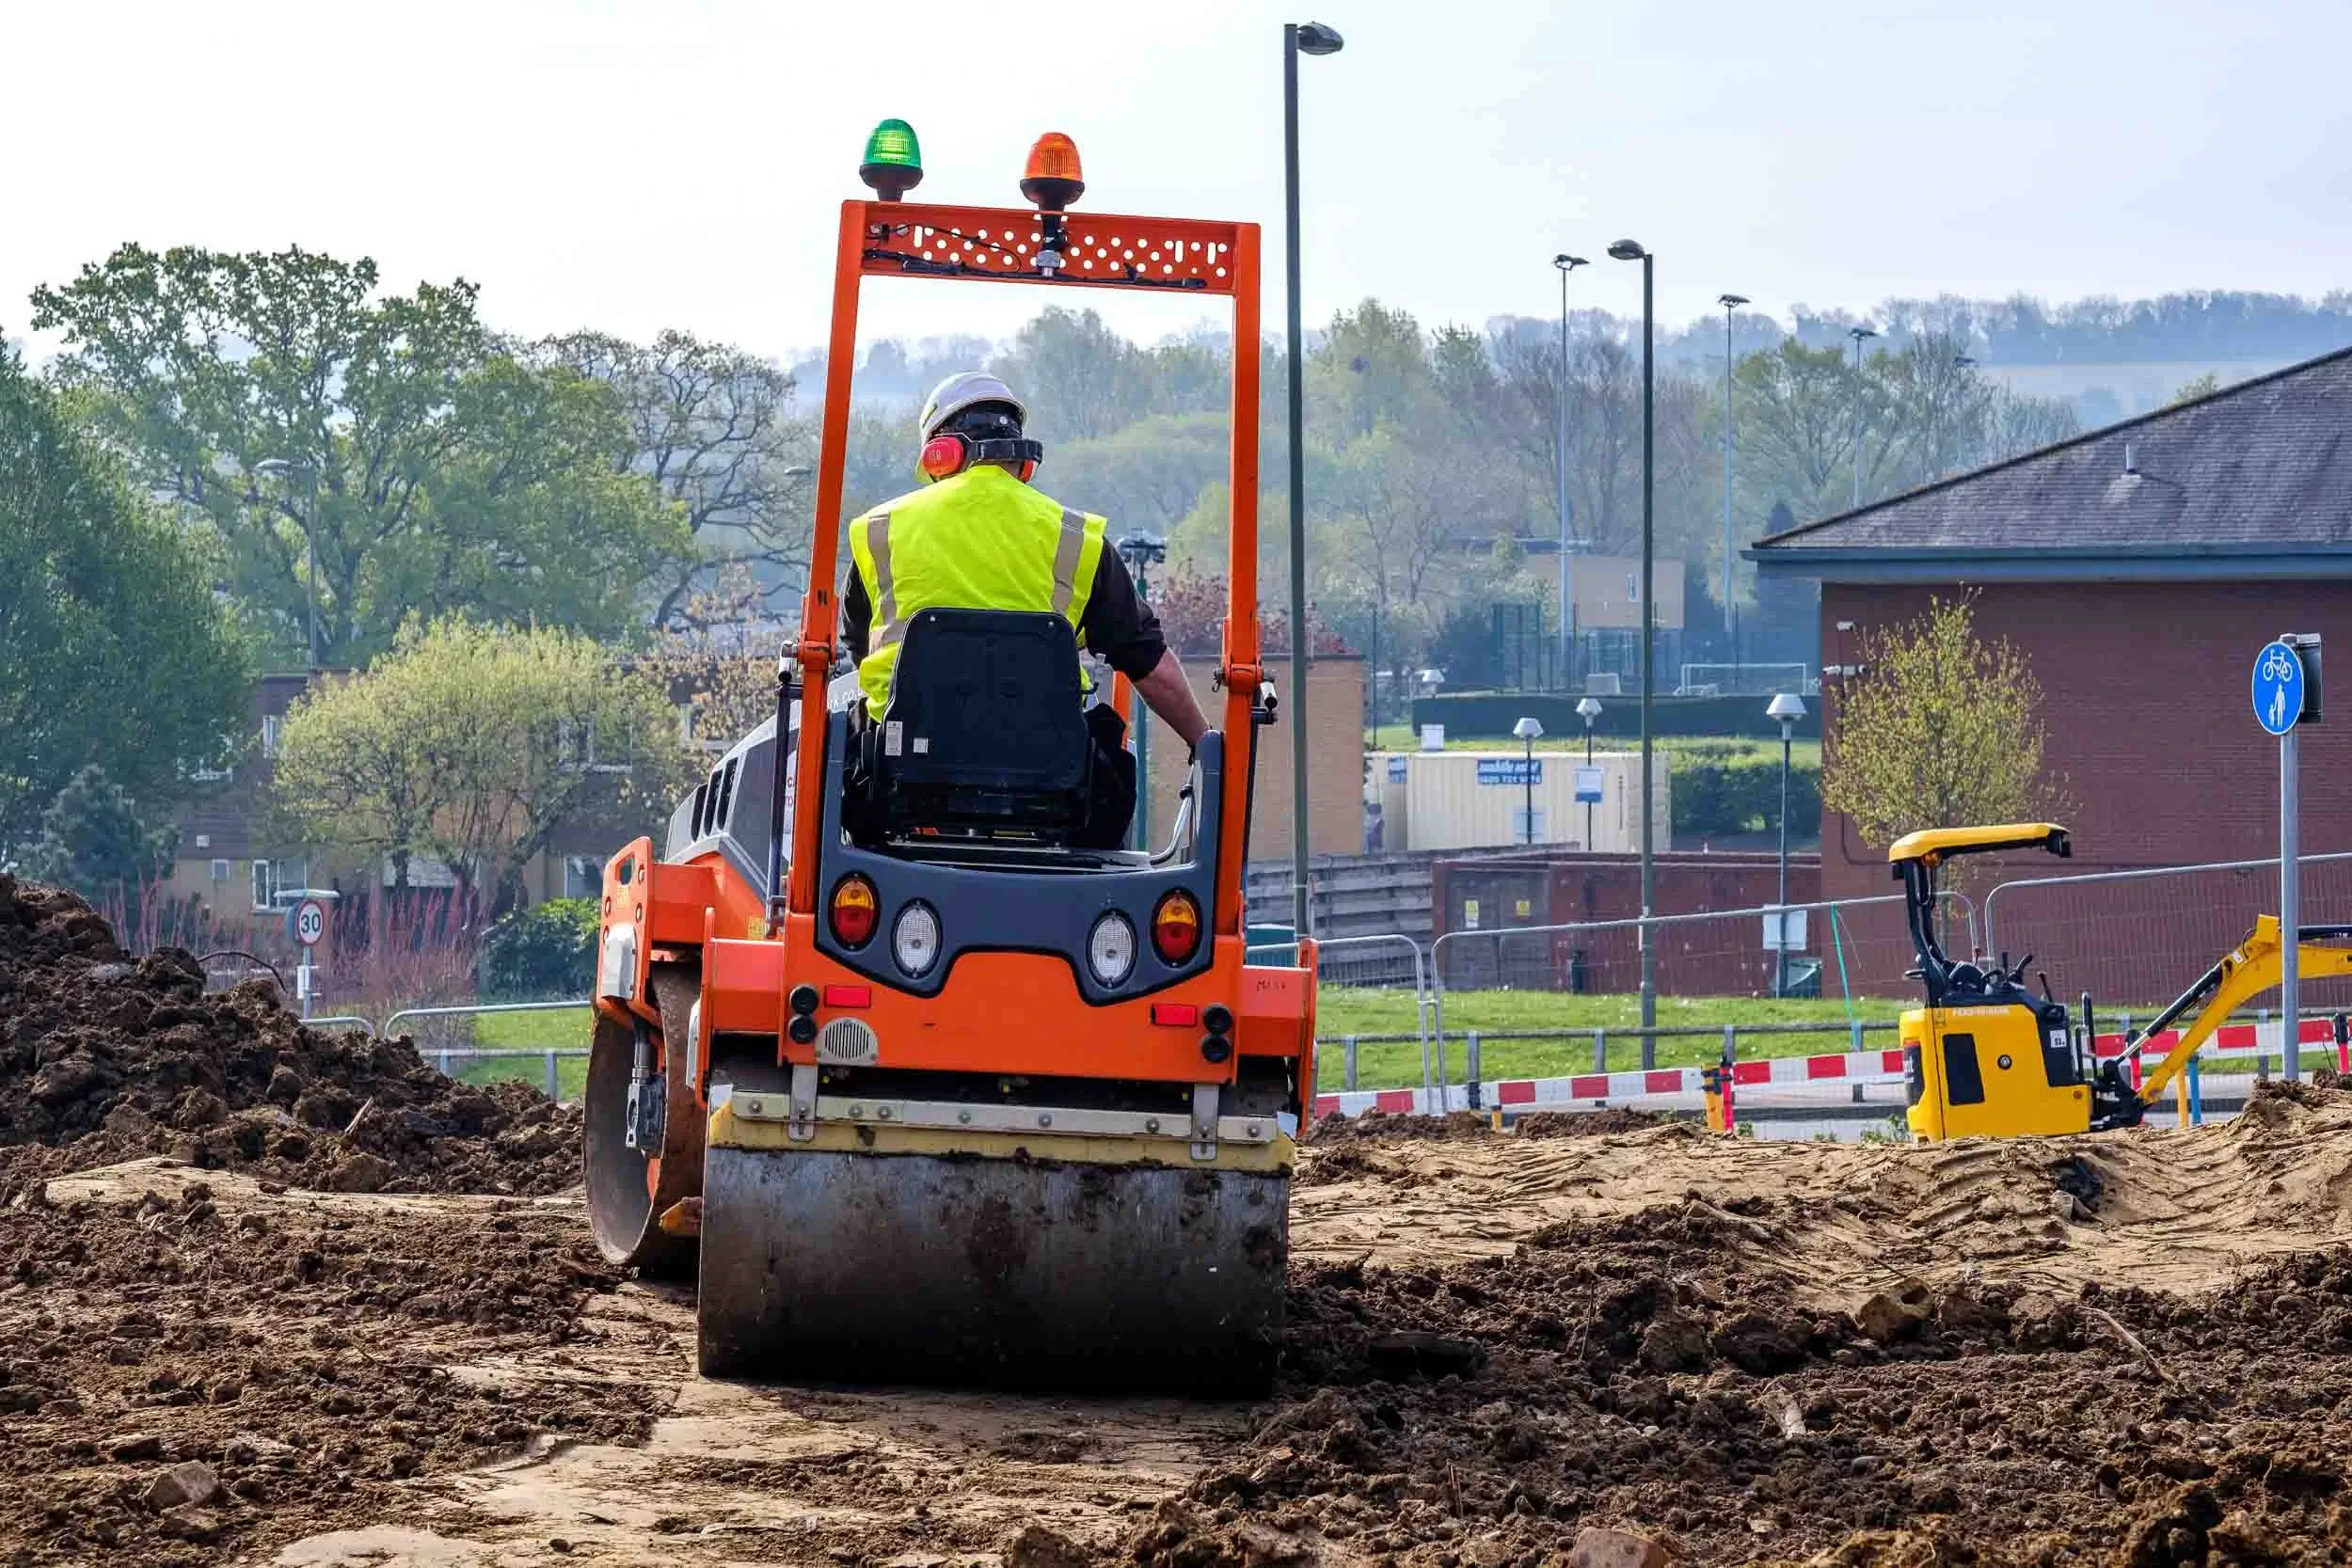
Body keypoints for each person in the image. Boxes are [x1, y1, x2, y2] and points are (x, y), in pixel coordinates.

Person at [839, 371, 1211, 756]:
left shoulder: (881, 531)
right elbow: (1151, 665)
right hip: (1045, 777)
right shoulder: (1077, 539)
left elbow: (861, 647)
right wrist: (1205, 744)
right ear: (1022, 461)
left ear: (940, 456)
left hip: (900, 776)